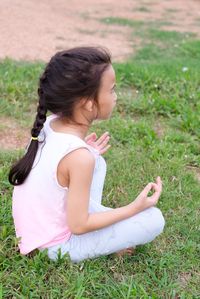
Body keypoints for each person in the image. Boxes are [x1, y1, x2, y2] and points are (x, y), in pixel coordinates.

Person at [9, 46, 165, 263]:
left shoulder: (50, 123)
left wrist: (87, 153)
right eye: (111, 90)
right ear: (88, 103)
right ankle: (109, 239)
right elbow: (79, 225)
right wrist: (132, 209)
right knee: (153, 219)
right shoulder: (79, 157)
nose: (116, 96)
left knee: (96, 161)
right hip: (56, 247)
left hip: (35, 232)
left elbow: (59, 169)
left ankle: (103, 224)